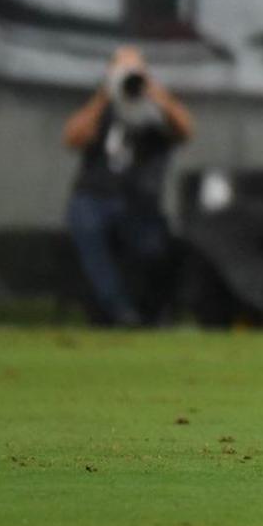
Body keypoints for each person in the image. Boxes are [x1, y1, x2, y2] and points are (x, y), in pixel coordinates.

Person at [60, 45, 193, 327]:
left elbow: (186, 130)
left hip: (140, 202)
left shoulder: (154, 110)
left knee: (155, 249)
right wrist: (104, 95)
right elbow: (72, 137)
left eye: (135, 71)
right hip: (95, 196)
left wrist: (157, 94)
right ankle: (119, 311)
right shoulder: (102, 107)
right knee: (88, 229)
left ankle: (153, 312)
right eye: (123, 70)